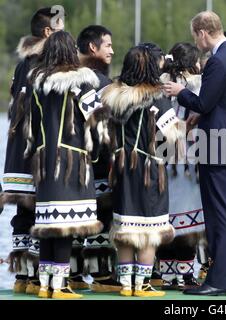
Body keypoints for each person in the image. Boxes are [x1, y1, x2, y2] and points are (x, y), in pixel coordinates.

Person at [163, 11, 226, 296]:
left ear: (203, 32)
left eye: (195, 35)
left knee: (219, 214)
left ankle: (218, 281)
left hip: (217, 145)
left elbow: (203, 102)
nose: (195, 41)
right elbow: (224, 100)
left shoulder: (217, 61)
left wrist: (179, 91)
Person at [28, 31, 106, 299]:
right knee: (65, 225)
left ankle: (44, 285)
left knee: (49, 225)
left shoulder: (37, 83)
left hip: (44, 160)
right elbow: (95, 123)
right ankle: (59, 287)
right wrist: (95, 157)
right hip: (72, 160)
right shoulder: (82, 82)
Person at [101, 44, 178, 297]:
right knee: (148, 230)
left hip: (122, 168)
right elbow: (173, 137)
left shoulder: (113, 97)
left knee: (125, 230)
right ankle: (142, 285)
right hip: (148, 170)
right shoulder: (157, 97)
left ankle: (125, 285)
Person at [0, 7, 64, 295]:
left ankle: (22, 277)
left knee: (23, 215)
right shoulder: (46, 61)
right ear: (48, 32)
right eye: (61, 25)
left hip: (17, 149)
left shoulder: (22, 61)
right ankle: (38, 277)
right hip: (37, 147)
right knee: (41, 213)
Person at [76, 25, 121, 292]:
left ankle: (72, 273)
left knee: (75, 219)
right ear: (93, 47)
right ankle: (102, 275)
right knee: (102, 215)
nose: (112, 50)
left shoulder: (70, 79)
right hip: (99, 162)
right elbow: (103, 127)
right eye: (108, 45)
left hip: (75, 165)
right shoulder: (98, 83)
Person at [158, 42, 203, 290]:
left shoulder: (158, 83)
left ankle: (165, 275)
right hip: (190, 153)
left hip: (162, 151)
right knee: (189, 217)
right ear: (192, 62)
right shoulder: (198, 84)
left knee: (166, 214)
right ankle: (186, 275)